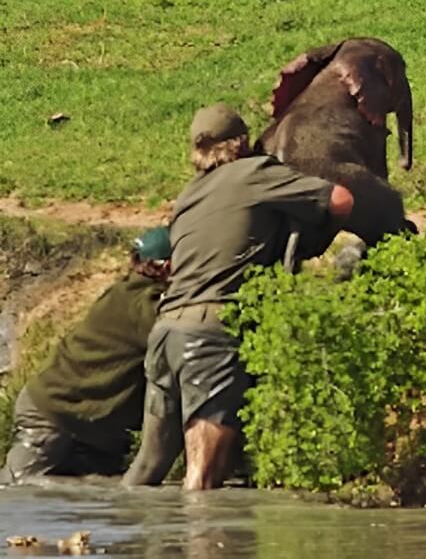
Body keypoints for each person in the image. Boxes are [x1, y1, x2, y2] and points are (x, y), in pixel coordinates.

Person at [122, 102, 354, 490]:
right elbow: (341, 199)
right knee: (202, 482)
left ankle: (119, 540)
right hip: (211, 337)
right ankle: (205, 548)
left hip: (165, 334)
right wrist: (319, 238)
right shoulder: (252, 173)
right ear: (242, 143)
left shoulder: (187, 198)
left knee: (146, 471)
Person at [1, 226, 174, 484]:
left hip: (86, 424)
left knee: (94, 498)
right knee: (18, 488)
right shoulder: (142, 305)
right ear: (165, 266)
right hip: (53, 413)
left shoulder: (123, 291)